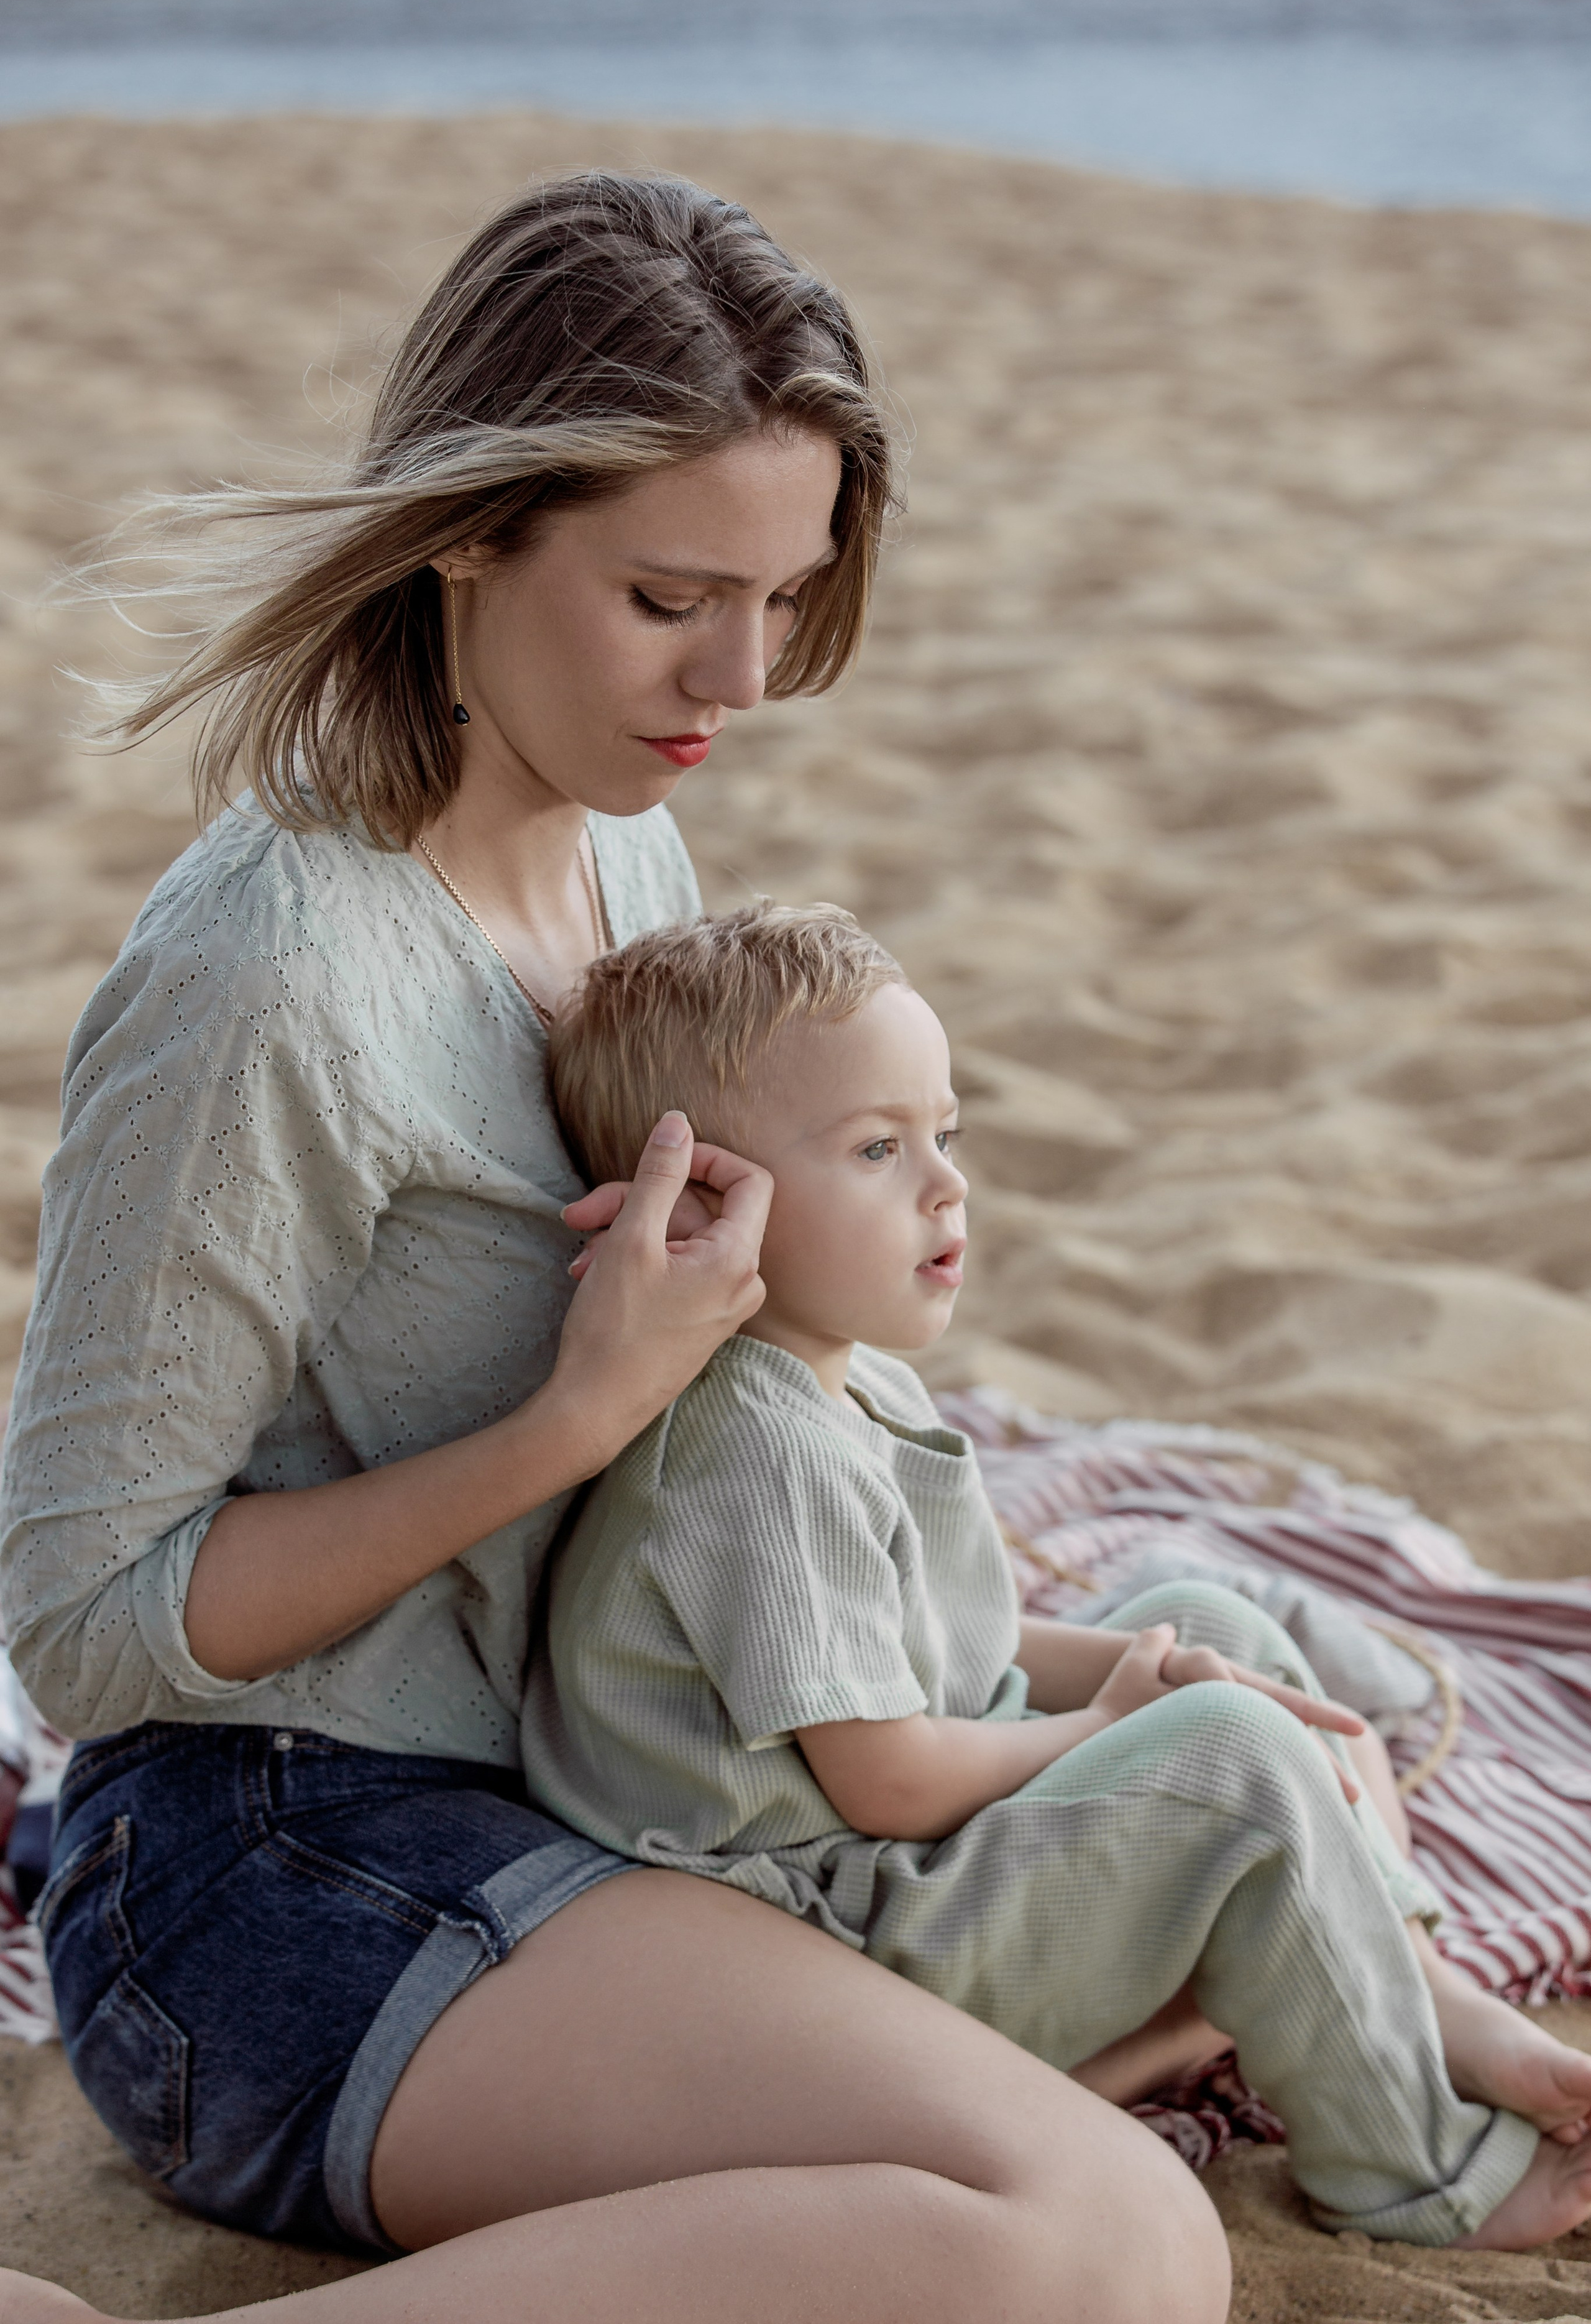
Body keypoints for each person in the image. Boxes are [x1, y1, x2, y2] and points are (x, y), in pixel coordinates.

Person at [0, 172, 1232, 2324]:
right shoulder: (268, 984)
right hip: (276, 1869)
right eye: (673, 596)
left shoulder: (625, 837)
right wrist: (578, 1414)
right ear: (466, 530)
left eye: (784, 597)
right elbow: (84, 1630)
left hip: (614, 1796)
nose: (742, 677)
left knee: (1212, 1865)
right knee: (1106, 2246)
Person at [528, 897, 1591, 2253]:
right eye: (876, 1148)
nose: (945, 1186)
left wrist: (1149, 1673)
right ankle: (1420, 2171)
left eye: (943, 1135)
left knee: (1199, 1619)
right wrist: (1102, 1731)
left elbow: (941, 1643)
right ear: (710, 1205)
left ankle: (1413, 1986)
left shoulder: (841, 1380)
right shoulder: (748, 1453)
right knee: (1226, 1755)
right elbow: (887, 1777)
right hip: (833, 1935)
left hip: (893, 1855)